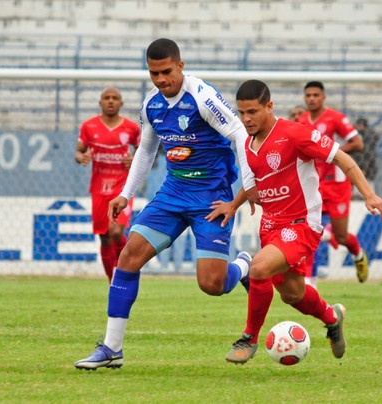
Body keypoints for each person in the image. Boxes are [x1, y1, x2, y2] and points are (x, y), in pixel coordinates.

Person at [74, 38, 257, 370]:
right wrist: (125, 195)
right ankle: (112, 348)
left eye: (167, 71)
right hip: (173, 193)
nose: (161, 79)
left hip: (210, 197)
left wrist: (247, 186)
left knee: (212, 284)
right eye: (154, 73)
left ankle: (244, 265)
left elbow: (239, 134)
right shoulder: (151, 105)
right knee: (128, 256)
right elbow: (145, 151)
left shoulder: (202, 97)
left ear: (181, 66)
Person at [207, 80, 382, 364]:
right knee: (292, 294)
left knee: (259, 268)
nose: (246, 119)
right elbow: (256, 180)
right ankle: (332, 317)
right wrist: (234, 204)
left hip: (301, 224)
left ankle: (248, 338)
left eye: (253, 112)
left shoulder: (295, 134)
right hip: (270, 226)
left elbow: (342, 158)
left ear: (269, 106)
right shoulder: (245, 142)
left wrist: (369, 194)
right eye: (242, 113)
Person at [297, 81, 370, 283]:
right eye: (308, 95)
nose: (311, 98)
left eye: (315, 95)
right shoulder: (302, 121)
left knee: (341, 237)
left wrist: (331, 153)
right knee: (310, 233)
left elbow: (358, 143)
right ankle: (310, 285)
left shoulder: (336, 119)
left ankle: (358, 255)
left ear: (323, 97)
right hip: (313, 186)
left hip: (337, 185)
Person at [75, 87, 141, 283]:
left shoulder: (131, 128)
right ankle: (112, 280)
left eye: (115, 98)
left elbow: (144, 151)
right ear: (100, 103)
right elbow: (78, 152)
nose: (111, 101)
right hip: (99, 188)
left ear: (121, 103)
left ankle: (123, 273)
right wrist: (83, 157)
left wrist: (134, 159)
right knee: (104, 237)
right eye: (107, 98)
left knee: (116, 231)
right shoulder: (89, 127)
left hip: (122, 188)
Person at [352, 117, 378, 193]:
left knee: (368, 189)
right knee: (357, 191)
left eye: (360, 125)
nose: (359, 127)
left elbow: (368, 155)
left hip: (367, 167)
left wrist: (363, 169)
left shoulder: (369, 136)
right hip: (358, 165)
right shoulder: (357, 135)